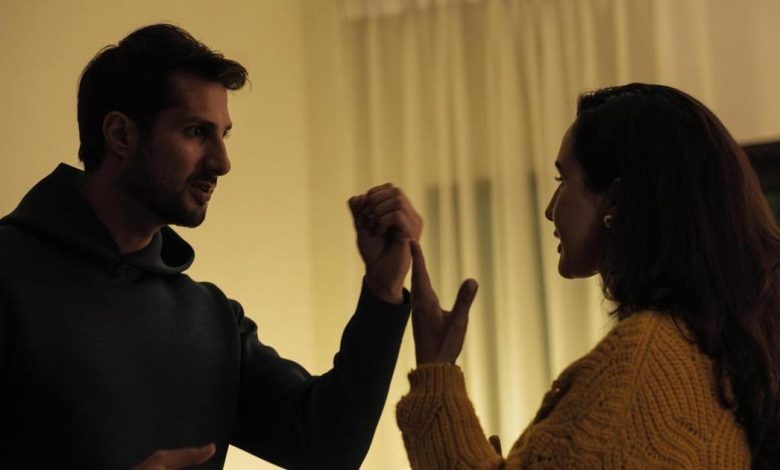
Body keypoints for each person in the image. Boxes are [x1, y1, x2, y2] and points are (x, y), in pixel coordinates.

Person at [0, 24, 423, 469]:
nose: (222, 162)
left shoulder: (211, 320)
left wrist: (383, 292)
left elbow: (326, 447)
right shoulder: (9, 275)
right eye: (196, 132)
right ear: (121, 135)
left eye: (224, 134)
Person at [396, 83, 780, 468]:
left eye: (562, 180)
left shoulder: (641, 366)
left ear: (616, 199)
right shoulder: (713, 346)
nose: (550, 209)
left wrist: (436, 372)